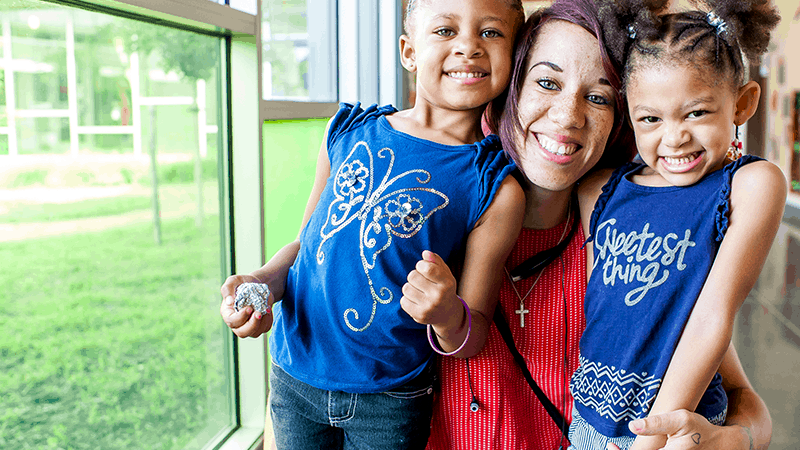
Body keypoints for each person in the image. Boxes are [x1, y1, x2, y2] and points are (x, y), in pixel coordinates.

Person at [427, 0, 774, 449]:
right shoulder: (435, 219)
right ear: (511, 87)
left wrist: (737, 440)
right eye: (547, 82)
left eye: (598, 97)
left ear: (620, 119)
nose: (568, 116)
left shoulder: (636, 239)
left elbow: (740, 395)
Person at [219, 0, 527, 448]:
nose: (469, 47)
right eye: (445, 31)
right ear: (409, 52)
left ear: (512, 57)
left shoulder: (494, 188)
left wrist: (447, 312)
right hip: (294, 376)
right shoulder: (347, 131)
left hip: (391, 398)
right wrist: (264, 283)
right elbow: (306, 247)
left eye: (491, 33)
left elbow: (473, 332)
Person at [569, 1, 785, 449]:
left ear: (742, 103)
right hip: (586, 423)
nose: (674, 137)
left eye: (696, 113)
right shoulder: (601, 191)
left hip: (678, 429)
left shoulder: (749, 185)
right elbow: (609, 312)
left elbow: (711, 316)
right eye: (650, 118)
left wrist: (653, 438)